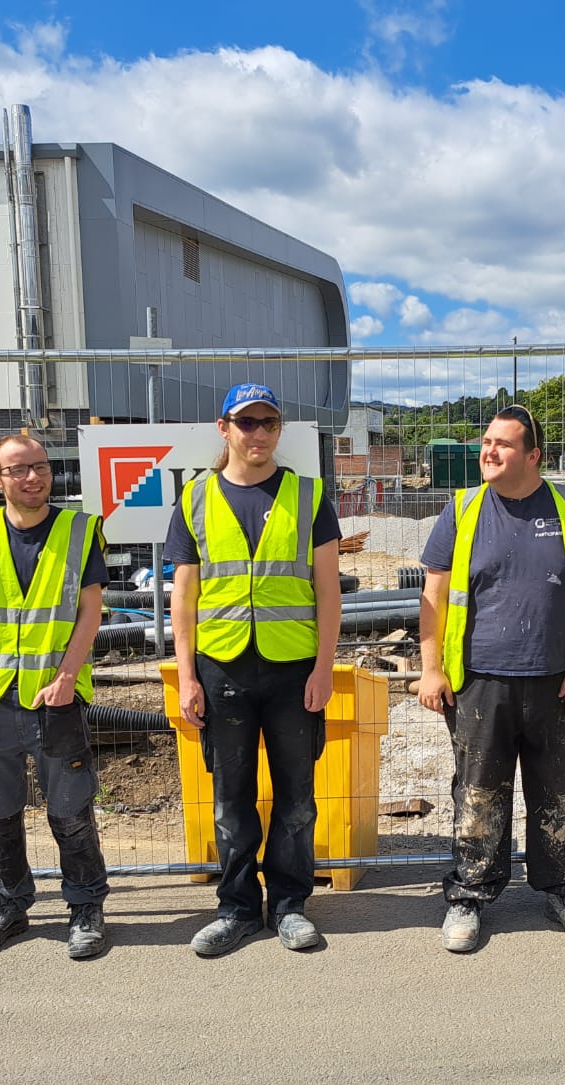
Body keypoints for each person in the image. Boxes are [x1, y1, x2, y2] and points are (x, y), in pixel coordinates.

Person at [417, 404, 565, 953]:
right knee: (478, 796)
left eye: (503, 443)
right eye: (486, 441)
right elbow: (432, 596)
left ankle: (562, 891)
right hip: (481, 682)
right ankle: (470, 896)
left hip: (558, 682)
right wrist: (431, 669)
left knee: (559, 796)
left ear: (533, 455)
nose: (489, 451)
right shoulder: (462, 510)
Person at [166, 382, 342, 957]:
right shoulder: (194, 499)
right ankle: (238, 909)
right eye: (247, 423)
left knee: (297, 797)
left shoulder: (309, 497)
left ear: (279, 431)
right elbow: (184, 599)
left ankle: (289, 905)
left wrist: (324, 669)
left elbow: (327, 591)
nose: (258, 433)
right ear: (225, 430)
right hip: (222, 670)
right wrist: (187, 676)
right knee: (230, 798)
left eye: (268, 423)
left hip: (293, 669)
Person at [0, 434, 111, 960]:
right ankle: (7, 907)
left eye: (40, 467)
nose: (33, 477)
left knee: (70, 810)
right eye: (19, 470)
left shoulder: (80, 529)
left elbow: (90, 610)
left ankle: (86, 907)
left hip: (56, 696)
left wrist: (67, 675)